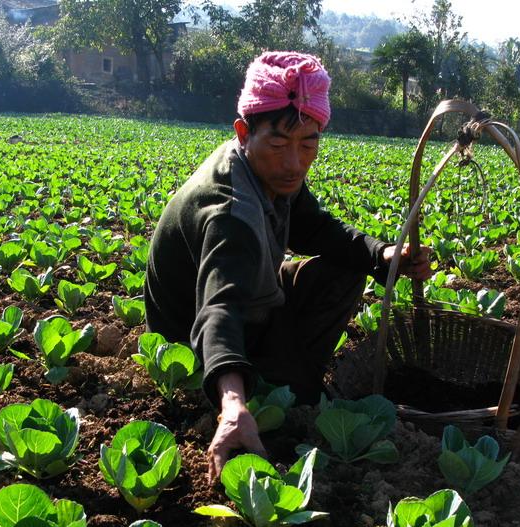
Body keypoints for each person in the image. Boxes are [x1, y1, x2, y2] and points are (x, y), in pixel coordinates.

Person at [144, 51, 431, 484]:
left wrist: (382, 254)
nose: (295, 162)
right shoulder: (229, 212)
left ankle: (291, 371)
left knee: (346, 267)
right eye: (279, 144)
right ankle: (272, 383)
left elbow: (314, 226)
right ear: (245, 132)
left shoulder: (265, 168)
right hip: (192, 339)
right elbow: (219, 311)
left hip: (248, 298)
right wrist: (232, 404)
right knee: (298, 400)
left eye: (308, 144)